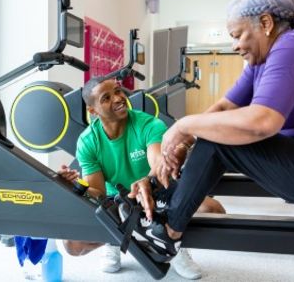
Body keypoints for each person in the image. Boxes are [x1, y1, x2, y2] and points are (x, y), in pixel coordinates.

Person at [128, 0, 294, 261]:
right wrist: (175, 151)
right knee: (213, 132)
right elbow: (223, 108)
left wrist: (184, 126)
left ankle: (166, 234)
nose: (234, 45)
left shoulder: (292, 45)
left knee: (216, 138)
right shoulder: (260, 63)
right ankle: (160, 195)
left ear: (266, 24)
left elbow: (262, 122)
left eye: (237, 35)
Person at [61, 77, 225, 279]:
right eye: (106, 97)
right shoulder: (87, 141)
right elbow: (98, 192)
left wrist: (148, 184)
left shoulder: (148, 124)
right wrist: (76, 186)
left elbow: (158, 165)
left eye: (118, 91)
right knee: (72, 245)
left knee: (214, 210)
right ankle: (115, 241)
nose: (119, 98)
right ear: (93, 111)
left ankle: (174, 245)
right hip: (117, 203)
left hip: (156, 194)